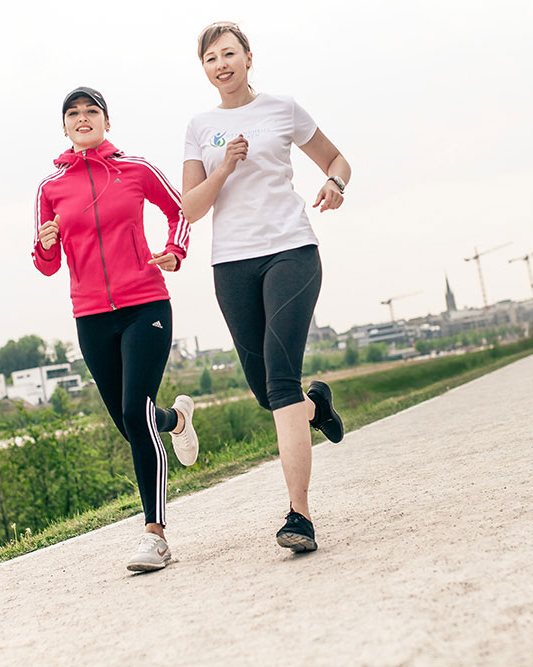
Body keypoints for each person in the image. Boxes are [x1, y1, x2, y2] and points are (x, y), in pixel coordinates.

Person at [181, 22, 349, 554]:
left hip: (290, 251)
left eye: (230, 53)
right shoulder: (200, 126)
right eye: (211, 59)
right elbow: (190, 208)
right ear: (204, 69)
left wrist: (334, 184)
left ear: (249, 58)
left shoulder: (283, 108)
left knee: (280, 382)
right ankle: (315, 407)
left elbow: (336, 160)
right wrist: (225, 166)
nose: (221, 64)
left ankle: (299, 515)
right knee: (267, 392)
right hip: (231, 264)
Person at [33, 86, 199, 572]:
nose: (83, 119)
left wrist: (176, 251)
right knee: (133, 423)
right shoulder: (50, 188)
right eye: (73, 114)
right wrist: (46, 243)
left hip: (145, 304)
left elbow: (180, 210)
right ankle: (177, 421)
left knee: (133, 409)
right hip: (90, 317)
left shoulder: (136, 170)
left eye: (92, 112)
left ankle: (155, 534)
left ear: (107, 121)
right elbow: (46, 265)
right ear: (64, 126)